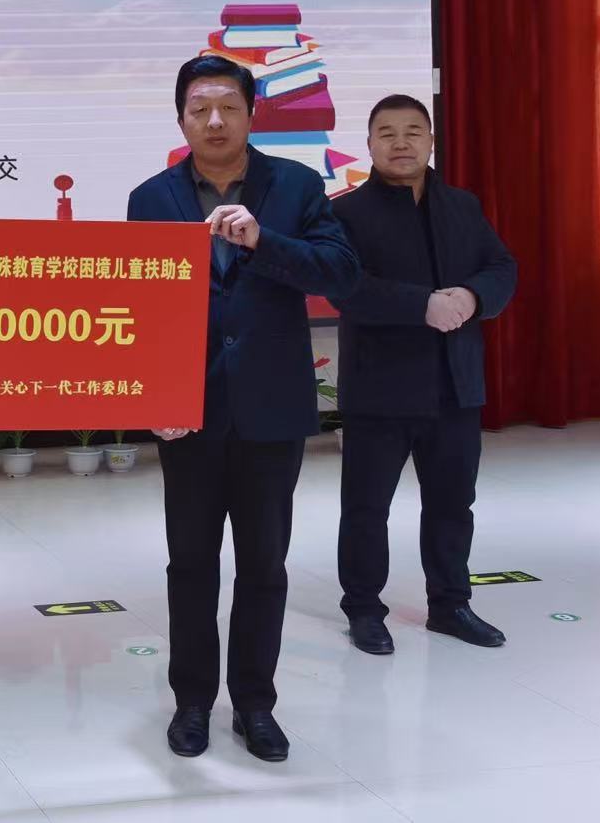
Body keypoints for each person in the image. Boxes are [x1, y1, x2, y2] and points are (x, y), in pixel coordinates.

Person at [127, 55, 360, 764]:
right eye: (199, 108)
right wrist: (151, 394)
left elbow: (340, 271)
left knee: (263, 564)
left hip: (270, 406)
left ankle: (255, 703)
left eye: (228, 106)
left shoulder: (294, 185)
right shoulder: (150, 197)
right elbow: (136, 310)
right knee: (190, 564)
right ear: (180, 118)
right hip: (187, 412)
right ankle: (193, 701)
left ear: (252, 114)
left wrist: (263, 240)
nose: (214, 120)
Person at [327, 95, 518, 655]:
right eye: (387, 133)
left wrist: (473, 296)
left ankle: (451, 604)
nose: (401, 143)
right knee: (367, 508)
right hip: (380, 387)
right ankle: (364, 608)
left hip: (454, 384)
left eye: (413, 131)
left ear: (431, 141)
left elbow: (502, 266)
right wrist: (421, 306)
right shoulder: (345, 213)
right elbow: (346, 288)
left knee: (453, 503)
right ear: (369, 145)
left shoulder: (462, 205)